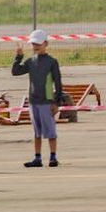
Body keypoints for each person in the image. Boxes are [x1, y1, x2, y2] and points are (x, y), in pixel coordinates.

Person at [11, 30, 65, 168]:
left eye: (38, 43)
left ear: (46, 44)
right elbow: (16, 72)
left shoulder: (52, 62)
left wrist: (56, 102)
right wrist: (18, 57)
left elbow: (58, 82)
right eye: (33, 44)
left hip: (47, 102)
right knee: (37, 132)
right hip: (33, 102)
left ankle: (53, 157)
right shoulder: (30, 61)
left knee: (50, 132)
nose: (35, 46)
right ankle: (37, 158)